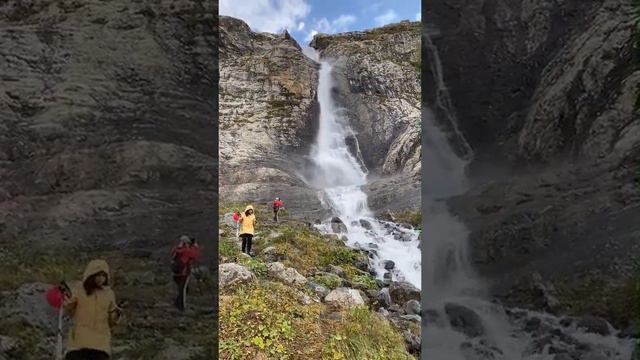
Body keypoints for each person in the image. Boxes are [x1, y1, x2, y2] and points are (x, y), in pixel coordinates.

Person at [63, 259, 123, 360]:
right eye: (98, 275)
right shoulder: (79, 290)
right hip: (79, 341)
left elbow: (111, 322)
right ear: (91, 275)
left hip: (100, 343)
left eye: (104, 276)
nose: (101, 279)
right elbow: (69, 309)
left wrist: (117, 314)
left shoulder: (109, 294)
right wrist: (66, 301)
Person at [171, 235, 202, 311]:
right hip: (184, 273)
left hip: (175, 273)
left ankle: (177, 303)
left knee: (181, 289)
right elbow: (196, 256)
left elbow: (173, 254)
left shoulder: (176, 249)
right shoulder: (187, 251)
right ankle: (182, 307)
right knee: (183, 290)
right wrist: (195, 246)